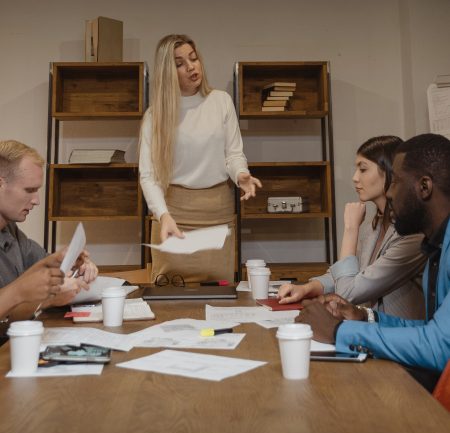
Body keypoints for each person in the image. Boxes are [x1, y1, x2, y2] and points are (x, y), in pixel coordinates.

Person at [297, 133, 450, 384]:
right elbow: (429, 330)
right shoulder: (435, 244)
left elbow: (438, 348)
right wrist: (363, 317)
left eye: (396, 182)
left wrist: (338, 331)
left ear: (424, 187)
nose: (389, 193)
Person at [139, 34, 261, 283]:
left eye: (193, 58)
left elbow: (233, 154)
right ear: (167, 72)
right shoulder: (155, 117)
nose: (191, 67)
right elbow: (148, 175)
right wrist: (163, 215)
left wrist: (240, 174)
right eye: (180, 63)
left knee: (219, 291)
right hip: (173, 214)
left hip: (216, 212)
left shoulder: (220, 102)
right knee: (168, 291)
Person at [278, 136, 426, 319]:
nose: (355, 178)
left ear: (390, 172)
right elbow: (346, 274)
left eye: (363, 169)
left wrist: (350, 229)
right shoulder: (377, 223)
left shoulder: (410, 235)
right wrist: (306, 289)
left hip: (396, 339)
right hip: (369, 332)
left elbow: (347, 293)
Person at [0, 140, 98, 301]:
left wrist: (74, 264)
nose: (36, 201)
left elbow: (43, 265)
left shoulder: (10, 230)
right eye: (29, 190)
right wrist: (50, 299)